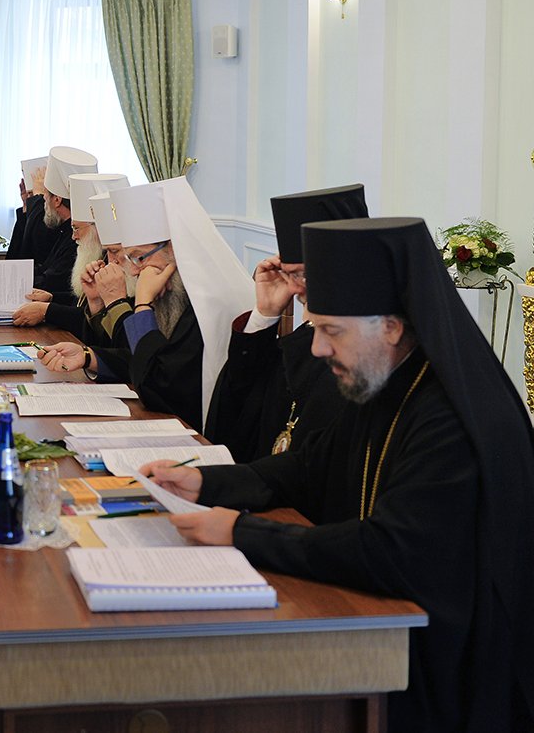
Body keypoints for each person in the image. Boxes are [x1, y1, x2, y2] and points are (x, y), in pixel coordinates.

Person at [142, 217, 534, 733]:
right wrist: (205, 483)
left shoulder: (453, 419)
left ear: (391, 327)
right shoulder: (389, 380)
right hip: (389, 629)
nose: (318, 348)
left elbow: (390, 551)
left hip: (446, 672)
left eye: (331, 331)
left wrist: (241, 532)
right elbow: (311, 466)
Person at [38, 177, 252, 431]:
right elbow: (141, 360)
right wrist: (90, 357)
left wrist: (141, 305)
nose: (134, 270)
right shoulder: (174, 291)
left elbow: (159, 384)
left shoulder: (206, 303)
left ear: (175, 249)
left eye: (139, 257)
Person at [205, 184, 368, 462]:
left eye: (304, 275)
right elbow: (239, 401)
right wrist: (265, 313)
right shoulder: (305, 334)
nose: (296, 288)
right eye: (290, 274)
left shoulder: (365, 346)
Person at [13, 174, 128, 338]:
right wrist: (52, 298)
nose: (73, 236)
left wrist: (48, 310)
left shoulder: (124, 267)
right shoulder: (99, 256)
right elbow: (82, 304)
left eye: (76, 228)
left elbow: (108, 329)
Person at [32, 145, 97, 295]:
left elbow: (53, 283)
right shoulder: (64, 230)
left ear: (57, 200)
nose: (74, 235)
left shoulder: (83, 238)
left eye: (44, 196)